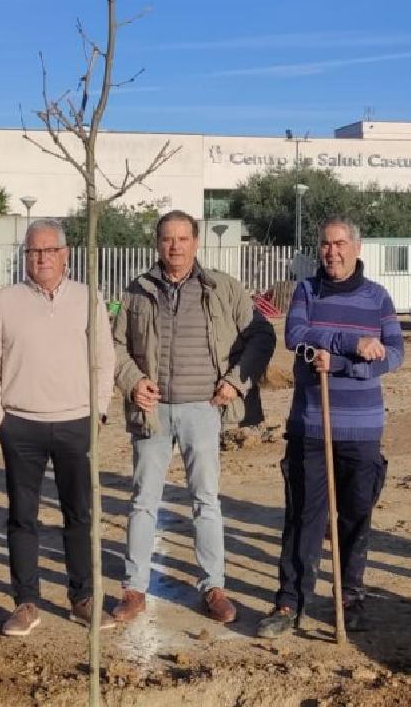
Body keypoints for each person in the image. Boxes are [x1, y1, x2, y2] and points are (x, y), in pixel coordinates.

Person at [111, 210, 275, 625]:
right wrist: (132, 381)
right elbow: (114, 345)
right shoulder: (136, 291)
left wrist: (236, 382)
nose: (175, 246)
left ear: (196, 242)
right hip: (152, 413)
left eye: (183, 239)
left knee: (205, 501)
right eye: (168, 239)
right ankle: (134, 588)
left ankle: (214, 586)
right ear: (157, 243)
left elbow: (262, 334)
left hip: (203, 410)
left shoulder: (223, 288)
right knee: (144, 501)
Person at [257, 216, 403, 639]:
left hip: (362, 429)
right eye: (325, 244)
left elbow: (395, 355)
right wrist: (349, 342)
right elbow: (296, 334)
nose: (332, 252)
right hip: (311, 428)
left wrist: (341, 363)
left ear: (357, 249)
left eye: (340, 244)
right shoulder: (306, 291)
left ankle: (350, 597)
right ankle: (289, 602)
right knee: (304, 517)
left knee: (356, 517)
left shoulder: (378, 298)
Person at [0, 218, 114, 636]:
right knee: (23, 517)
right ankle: (26, 602)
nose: (40, 258)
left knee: (80, 515)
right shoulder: (3, 301)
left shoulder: (88, 299)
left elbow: (104, 359)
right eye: (33, 251)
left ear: (65, 255)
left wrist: (99, 412)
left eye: (48, 250)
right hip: (21, 425)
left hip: (77, 423)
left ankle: (83, 597)